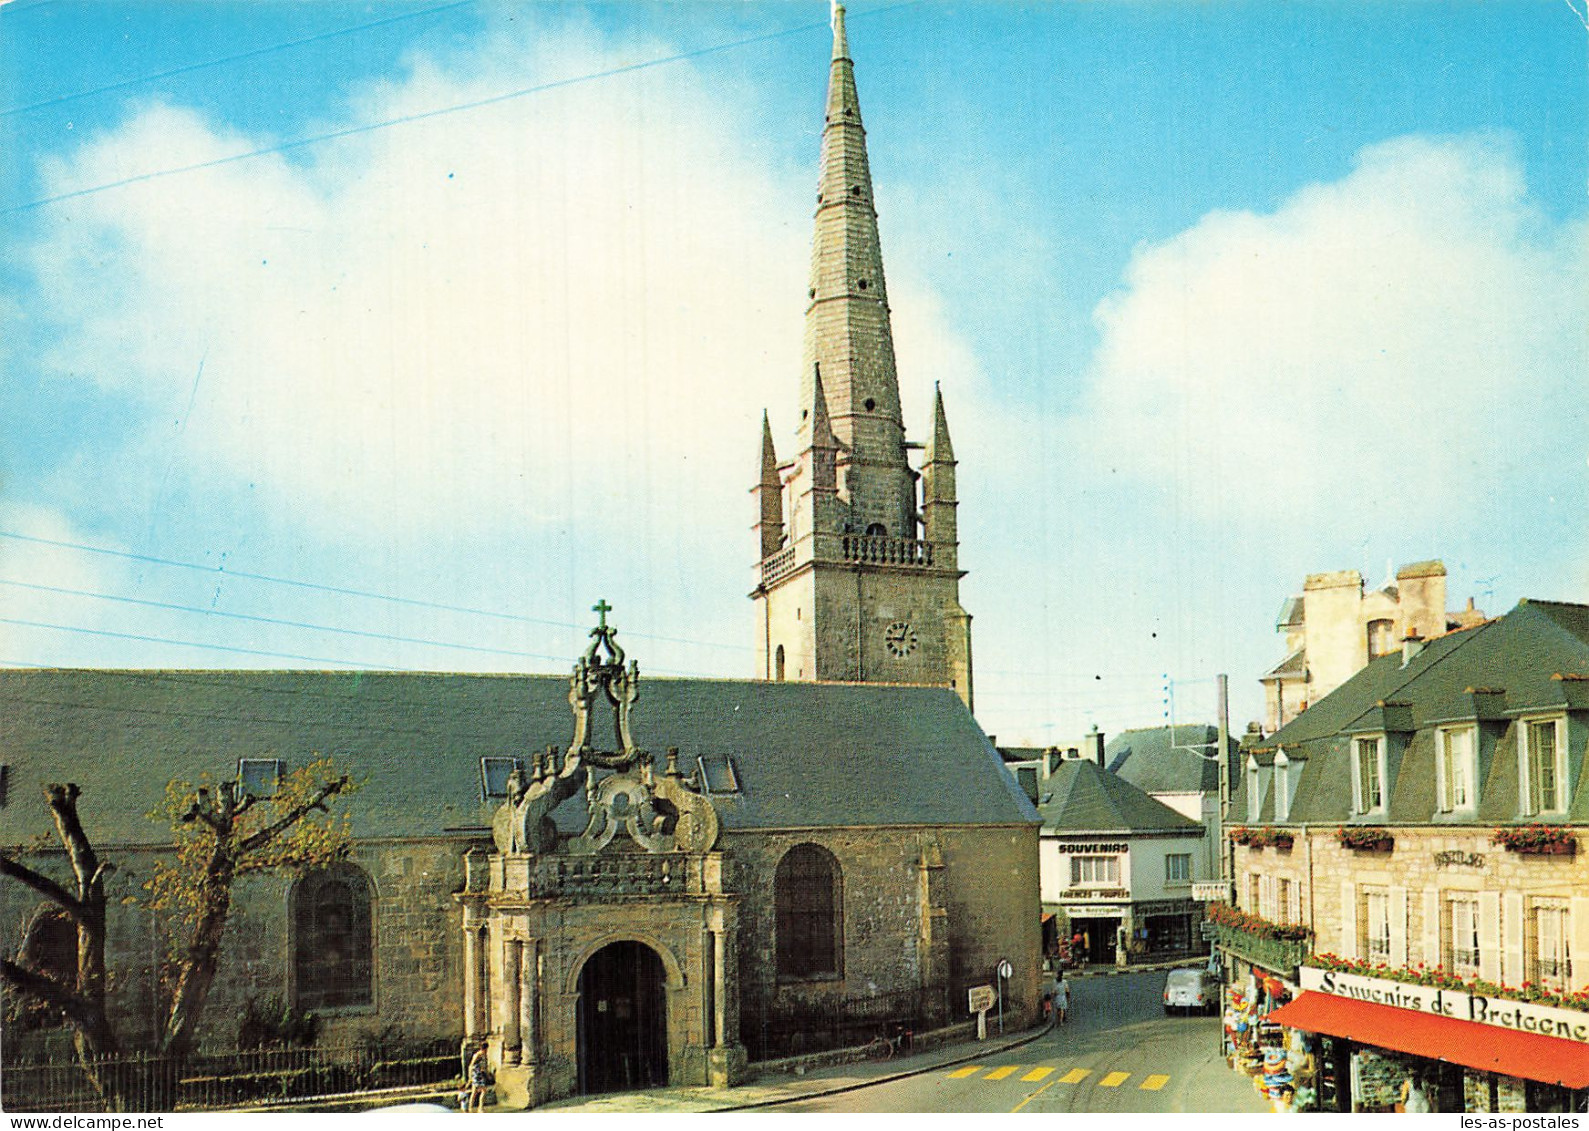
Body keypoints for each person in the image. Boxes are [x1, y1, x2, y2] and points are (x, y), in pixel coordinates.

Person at [466, 1043, 491, 1113]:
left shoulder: (483, 1055)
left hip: (479, 1074)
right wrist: (470, 1077)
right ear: (485, 1048)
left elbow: (484, 1066)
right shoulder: (477, 1055)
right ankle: (480, 1108)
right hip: (476, 1074)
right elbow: (471, 1066)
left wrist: (486, 1073)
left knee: (475, 1092)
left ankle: (471, 1107)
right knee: (482, 1091)